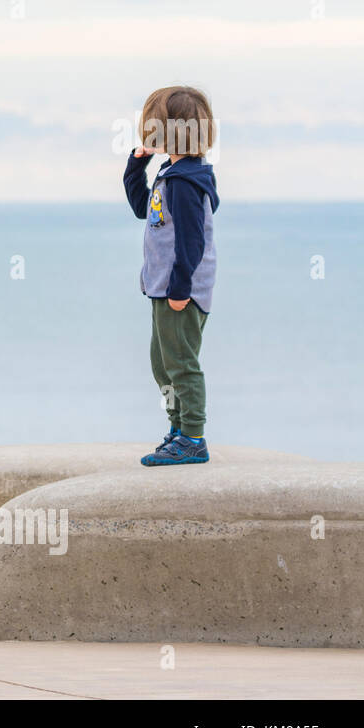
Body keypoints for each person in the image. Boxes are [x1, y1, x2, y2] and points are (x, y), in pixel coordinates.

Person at [122, 85, 219, 466]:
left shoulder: (185, 182)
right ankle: (178, 430)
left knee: (181, 364)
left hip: (180, 290)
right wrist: (137, 164)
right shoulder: (172, 173)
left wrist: (180, 287)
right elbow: (142, 209)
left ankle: (193, 436)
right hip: (164, 287)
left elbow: (192, 242)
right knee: (162, 364)